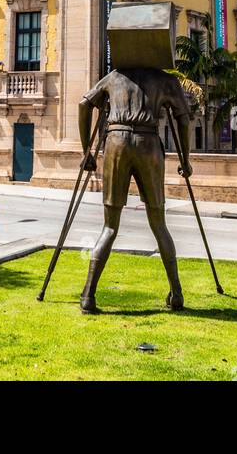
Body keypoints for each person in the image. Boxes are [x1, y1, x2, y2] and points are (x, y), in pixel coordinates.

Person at [78, 64, 191, 314]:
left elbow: (83, 105)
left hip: (116, 142)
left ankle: (88, 294)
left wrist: (87, 150)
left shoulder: (115, 77)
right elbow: (183, 117)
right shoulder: (164, 78)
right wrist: (185, 160)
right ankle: (177, 293)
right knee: (159, 223)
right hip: (149, 143)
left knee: (109, 226)